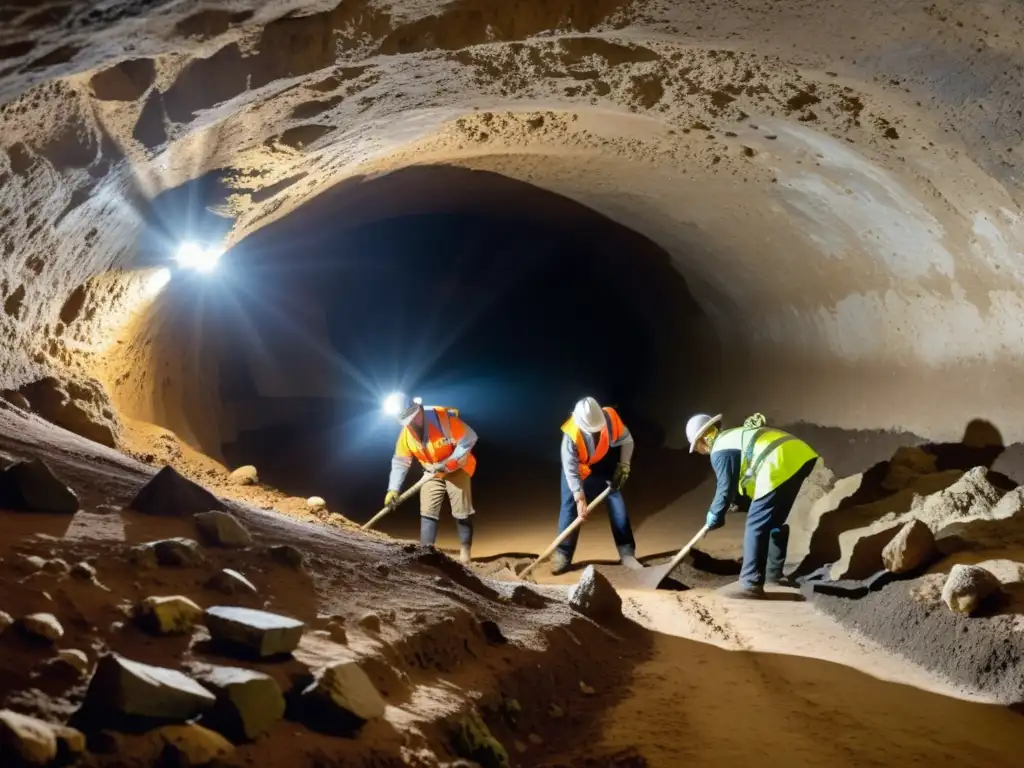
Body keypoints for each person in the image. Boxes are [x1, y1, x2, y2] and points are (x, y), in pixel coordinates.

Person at [686, 412, 818, 598]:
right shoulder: (732, 438)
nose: (699, 452)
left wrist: (715, 514)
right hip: (798, 456)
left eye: (697, 447)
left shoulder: (720, 449)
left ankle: (750, 584)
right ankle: (773, 574)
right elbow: (743, 479)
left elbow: (725, 489)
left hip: (777, 461)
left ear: (703, 439)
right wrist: (737, 503)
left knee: (756, 525)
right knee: (774, 521)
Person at [384, 393, 478, 564]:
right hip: (431, 472)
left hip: (457, 467)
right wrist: (393, 489)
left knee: (462, 512)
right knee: (427, 512)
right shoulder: (407, 434)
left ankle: (465, 552)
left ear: (418, 407)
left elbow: (469, 438)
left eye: (415, 415)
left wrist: (450, 462)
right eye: (410, 420)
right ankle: (426, 552)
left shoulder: (443, 418)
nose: (415, 421)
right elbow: (400, 462)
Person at [552, 396, 642, 575]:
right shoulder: (571, 434)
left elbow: (627, 439)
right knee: (570, 508)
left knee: (617, 504)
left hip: (602, 464)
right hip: (577, 470)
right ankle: (563, 554)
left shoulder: (608, 418)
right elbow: (570, 469)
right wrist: (579, 497)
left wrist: (624, 465)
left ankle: (627, 553)